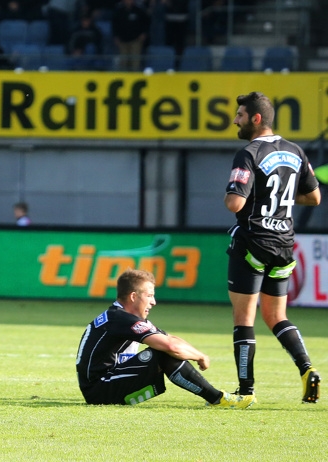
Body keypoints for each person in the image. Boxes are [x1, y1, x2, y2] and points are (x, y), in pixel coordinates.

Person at [224, 91, 321, 403]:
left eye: (239, 115)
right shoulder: (295, 151)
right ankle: (307, 368)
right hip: (283, 245)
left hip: (252, 242)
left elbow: (234, 202)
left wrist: (239, 196)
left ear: (255, 119)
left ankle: (246, 390)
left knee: (244, 319)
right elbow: (314, 197)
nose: (235, 120)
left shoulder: (249, 152)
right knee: (277, 316)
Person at [76, 269, 256, 408]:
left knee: (163, 348)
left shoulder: (120, 316)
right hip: (100, 390)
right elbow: (170, 346)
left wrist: (198, 353)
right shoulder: (121, 319)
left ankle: (217, 398)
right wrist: (201, 357)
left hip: (103, 385)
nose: (153, 302)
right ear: (133, 296)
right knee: (162, 353)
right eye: (149, 295)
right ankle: (218, 399)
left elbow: (169, 338)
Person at [112, 0, 150, 72]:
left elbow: (146, 22)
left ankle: (135, 77)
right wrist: (115, 36)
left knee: (135, 61)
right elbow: (115, 24)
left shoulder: (139, 10)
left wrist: (144, 33)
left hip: (136, 39)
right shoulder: (119, 10)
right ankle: (124, 79)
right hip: (122, 40)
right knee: (123, 61)